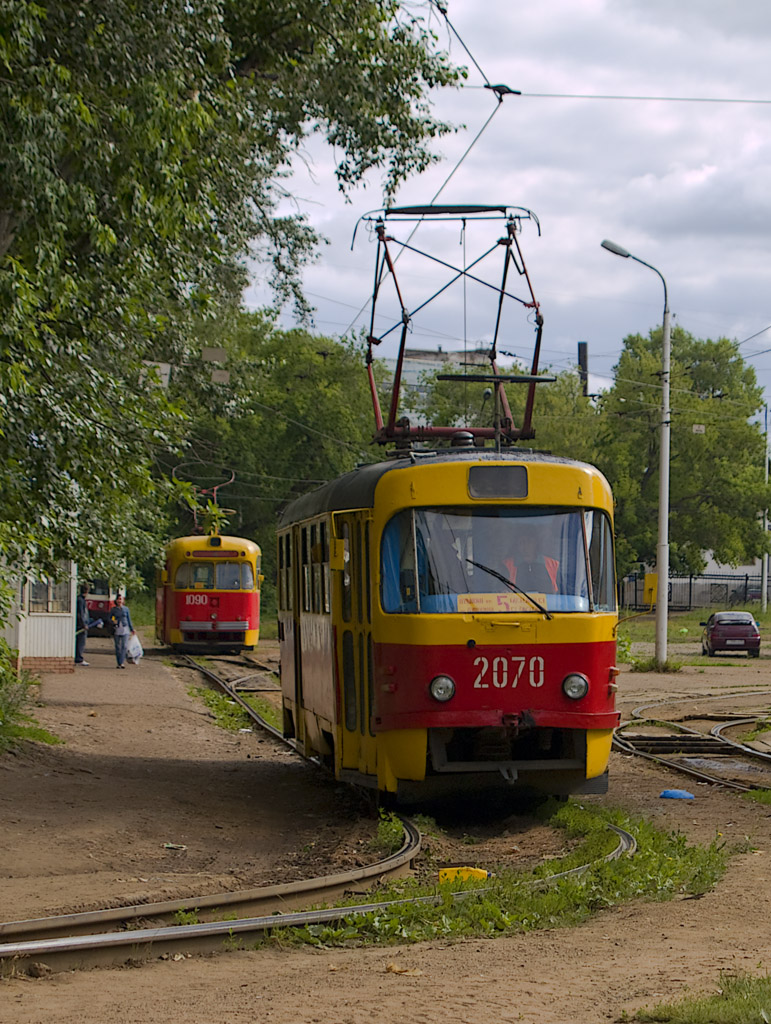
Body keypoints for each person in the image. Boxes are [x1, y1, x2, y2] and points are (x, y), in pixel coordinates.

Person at [503, 526, 559, 594]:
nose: (526, 546)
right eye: (522, 542)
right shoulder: (506, 564)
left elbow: (559, 592)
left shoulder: (553, 564)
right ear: (517, 545)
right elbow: (501, 589)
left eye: (529, 541)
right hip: (515, 604)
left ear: (535, 543)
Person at [108, 594, 136, 669]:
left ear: (123, 600)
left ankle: (122, 662)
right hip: (117, 628)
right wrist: (113, 621)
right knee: (118, 646)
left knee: (124, 646)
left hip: (125, 628)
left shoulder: (126, 609)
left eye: (121, 599)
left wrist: (132, 629)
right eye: (118, 599)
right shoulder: (113, 609)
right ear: (116, 600)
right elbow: (109, 618)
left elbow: (129, 619)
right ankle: (118, 662)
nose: (119, 601)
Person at [75, 584, 90, 665]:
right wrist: (84, 624)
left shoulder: (79, 599)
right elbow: (81, 613)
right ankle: (79, 658)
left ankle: (78, 657)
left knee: (79, 641)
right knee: (81, 642)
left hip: (79, 624)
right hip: (81, 625)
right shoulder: (81, 600)